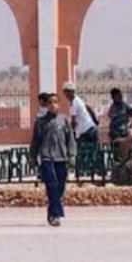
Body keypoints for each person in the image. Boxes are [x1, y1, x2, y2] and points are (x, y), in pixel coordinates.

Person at [29, 93, 76, 227]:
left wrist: (72, 155)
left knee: (60, 187)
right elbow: (35, 142)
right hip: (47, 157)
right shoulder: (41, 122)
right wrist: (32, 157)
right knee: (52, 185)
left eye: (56, 102)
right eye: (50, 103)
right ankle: (56, 215)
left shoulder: (64, 121)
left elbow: (70, 140)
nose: (53, 105)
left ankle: (51, 212)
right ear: (47, 105)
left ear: (59, 104)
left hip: (61, 157)